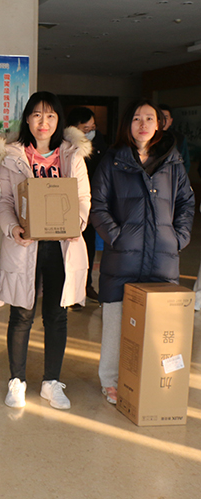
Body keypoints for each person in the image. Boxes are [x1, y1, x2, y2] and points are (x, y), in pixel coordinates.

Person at [0, 91, 91, 410]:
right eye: (36, 114)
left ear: (58, 120)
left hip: (62, 246)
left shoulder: (71, 155)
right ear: (27, 119)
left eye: (50, 115)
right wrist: (13, 228)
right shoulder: (12, 155)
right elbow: (4, 201)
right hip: (25, 245)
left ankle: (51, 382)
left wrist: (76, 223)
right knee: (21, 313)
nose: (43, 122)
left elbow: (83, 199)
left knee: (56, 315)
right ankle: (17, 380)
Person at [90, 99, 194, 405]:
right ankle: (110, 379)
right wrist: (117, 237)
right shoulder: (112, 161)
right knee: (116, 320)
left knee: (159, 325)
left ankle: (151, 378)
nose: (143, 124)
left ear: (159, 124)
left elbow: (186, 203)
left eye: (150, 118)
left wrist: (178, 238)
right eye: (136, 118)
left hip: (162, 257)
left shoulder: (172, 162)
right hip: (123, 256)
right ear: (128, 124)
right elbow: (98, 205)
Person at [66, 107, 108, 305]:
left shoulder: (100, 144)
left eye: (93, 127)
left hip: (90, 204)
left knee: (87, 248)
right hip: (67, 204)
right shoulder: (65, 145)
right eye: (86, 128)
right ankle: (67, 288)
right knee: (67, 250)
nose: (91, 131)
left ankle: (86, 285)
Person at [159, 104, 191, 174]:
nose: (163, 121)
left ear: (171, 121)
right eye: (160, 117)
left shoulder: (179, 138)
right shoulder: (147, 137)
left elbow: (185, 163)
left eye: (166, 117)